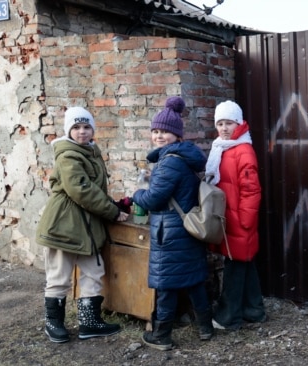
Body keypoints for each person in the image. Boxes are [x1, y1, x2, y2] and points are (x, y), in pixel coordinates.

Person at [36, 106, 129, 343]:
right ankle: (53, 324)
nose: (82, 132)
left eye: (86, 127)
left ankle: (89, 323)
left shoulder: (90, 151)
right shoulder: (68, 155)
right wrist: (111, 212)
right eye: (76, 127)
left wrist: (115, 206)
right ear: (68, 131)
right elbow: (81, 190)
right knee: (59, 275)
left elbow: (94, 189)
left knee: (93, 272)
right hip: (64, 224)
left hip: (88, 224)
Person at [132, 96, 214, 351]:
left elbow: (154, 199)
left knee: (166, 284)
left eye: (165, 132)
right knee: (193, 280)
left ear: (177, 135)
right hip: (186, 229)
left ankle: (161, 335)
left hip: (169, 232)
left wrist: (136, 194)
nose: (159, 136)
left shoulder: (169, 162)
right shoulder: (184, 158)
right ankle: (205, 328)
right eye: (155, 131)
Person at [205, 100, 265, 330]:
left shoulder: (243, 151)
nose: (224, 128)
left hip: (239, 220)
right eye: (220, 123)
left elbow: (251, 189)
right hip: (227, 218)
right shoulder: (221, 147)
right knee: (244, 263)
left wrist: (245, 222)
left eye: (228, 123)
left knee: (234, 266)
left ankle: (228, 317)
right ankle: (254, 310)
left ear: (238, 124)